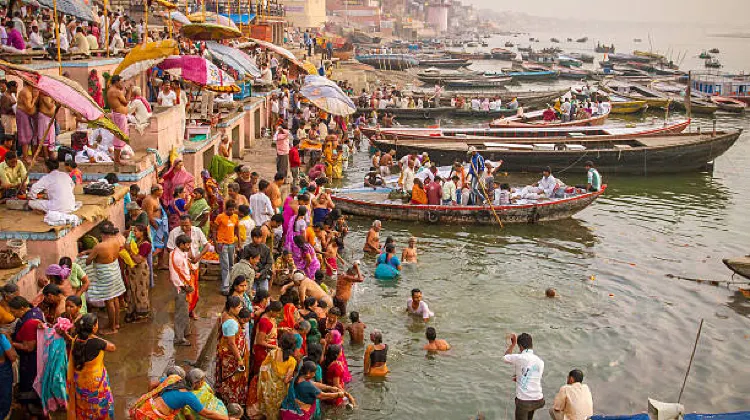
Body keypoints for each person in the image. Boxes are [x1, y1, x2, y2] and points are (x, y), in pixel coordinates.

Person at [67, 313, 116, 418]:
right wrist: (94, 336)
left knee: (84, 408)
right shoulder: (97, 343)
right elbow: (112, 347)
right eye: (96, 324)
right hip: (95, 384)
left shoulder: (76, 340)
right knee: (100, 408)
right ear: (93, 327)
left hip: (80, 383)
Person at [129, 369, 232, 419]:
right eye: (202, 381)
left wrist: (155, 396)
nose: (203, 383)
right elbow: (206, 413)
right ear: (197, 383)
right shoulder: (189, 396)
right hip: (153, 416)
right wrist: (227, 419)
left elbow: (152, 384)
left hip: (145, 407)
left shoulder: (174, 378)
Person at [85, 222, 126, 334]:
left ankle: (112, 328)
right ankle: (116, 323)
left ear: (102, 234)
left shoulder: (100, 246)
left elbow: (88, 261)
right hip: (115, 270)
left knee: (109, 302)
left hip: (106, 275)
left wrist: (87, 256)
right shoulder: (118, 240)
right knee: (115, 298)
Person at [9, 296, 45, 416]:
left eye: (14, 312)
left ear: (22, 308)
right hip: (39, 356)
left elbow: (28, 347)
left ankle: (32, 410)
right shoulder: (36, 311)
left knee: (30, 383)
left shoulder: (29, 322)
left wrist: (10, 343)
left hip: (31, 360)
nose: (13, 315)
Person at [280, 360, 348, 420]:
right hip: (298, 415)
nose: (314, 374)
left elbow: (314, 383)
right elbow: (323, 396)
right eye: (314, 373)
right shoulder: (308, 386)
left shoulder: (297, 377)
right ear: (309, 373)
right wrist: (338, 394)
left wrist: (330, 388)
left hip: (289, 410)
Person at [253, 333, 298, 420]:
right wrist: (293, 378)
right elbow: (286, 380)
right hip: (280, 392)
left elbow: (263, 367)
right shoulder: (292, 361)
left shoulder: (272, 353)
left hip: (268, 388)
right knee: (277, 410)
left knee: (269, 408)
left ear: (280, 342)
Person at [215, 297, 250, 405]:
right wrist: (239, 359)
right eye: (239, 307)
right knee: (232, 378)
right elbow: (231, 343)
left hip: (226, 351)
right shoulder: (231, 323)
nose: (241, 309)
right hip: (232, 356)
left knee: (226, 375)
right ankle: (231, 400)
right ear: (231, 308)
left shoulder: (226, 314)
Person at [504, 333, 545, 420]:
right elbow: (534, 377)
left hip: (524, 401)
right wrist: (520, 377)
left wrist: (513, 344)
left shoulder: (520, 357)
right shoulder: (540, 361)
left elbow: (505, 357)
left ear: (521, 346)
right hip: (538, 399)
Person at [169, 234, 194, 346]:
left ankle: (186, 331)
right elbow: (174, 275)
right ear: (181, 245)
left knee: (185, 310)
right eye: (187, 244)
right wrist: (185, 286)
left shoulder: (181, 253)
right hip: (181, 288)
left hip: (185, 284)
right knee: (181, 313)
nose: (189, 246)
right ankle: (179, 338)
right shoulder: (176, 256)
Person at [124, 224, 152, 323]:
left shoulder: (146, 244)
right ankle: (133, 312)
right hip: (133, 271)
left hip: (140, 270)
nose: (134, 233)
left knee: (141, 291)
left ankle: (142, 315)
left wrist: (129, 251)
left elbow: (138, 259)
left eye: (136, 231)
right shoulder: (136, 241)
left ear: (142, 232)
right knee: (132, 290)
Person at [214, 200, 239, 295]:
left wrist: (239, 243)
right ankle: (225, 288)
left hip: (232, 243)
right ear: (226, 209)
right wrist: (216, 244)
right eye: (230, 210)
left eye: (233, 210)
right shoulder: (220, 217)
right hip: (222, 244)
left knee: (231, 265)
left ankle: (231, 284)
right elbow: (214, 230)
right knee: (225, 266)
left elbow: (237, 228)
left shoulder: (235, 217)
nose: (231, 211)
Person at [251, 301, 282, 374]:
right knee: (262, 374)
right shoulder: (264, 322)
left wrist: (281, 329)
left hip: (268, 350)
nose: (277, 315)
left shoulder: (270, 318)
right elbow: (260, 341)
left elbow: (269, 331)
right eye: (277, 313)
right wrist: (274, 347)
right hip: (263, 352)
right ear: (271, 311)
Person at [16, 81, 37, 163]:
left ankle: (27, 155)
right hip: (22, 114)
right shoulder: (26, 92)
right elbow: (29, 107)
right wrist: (35, 98)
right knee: (25, 134)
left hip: (25, 114)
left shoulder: (29, 91)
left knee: (29, 134)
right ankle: (25, 157)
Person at [0, 320, 17, 420]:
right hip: (2, 370)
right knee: (3, 400)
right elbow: (12, 357)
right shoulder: (1, 337)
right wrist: (9, 338)